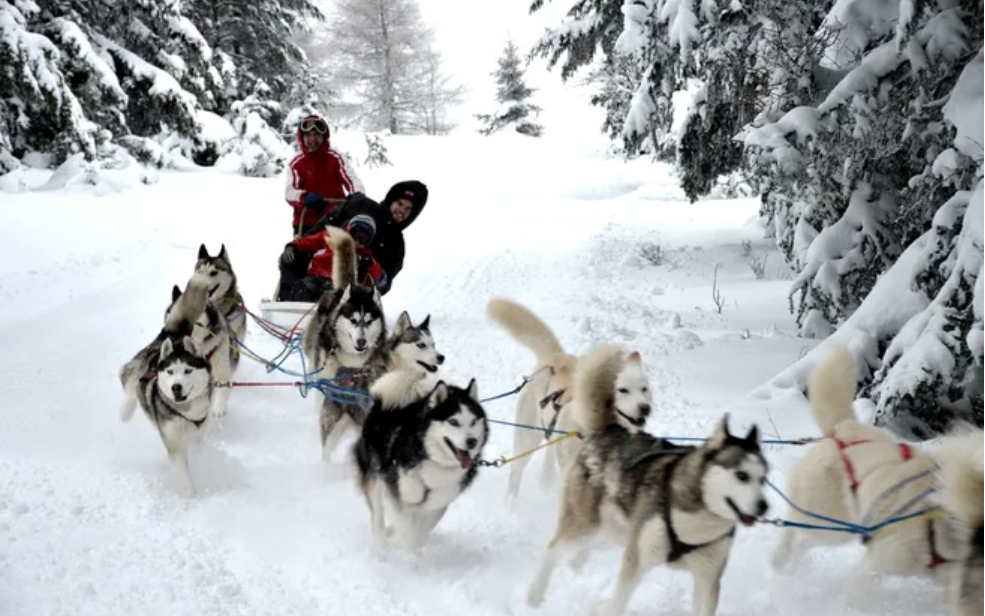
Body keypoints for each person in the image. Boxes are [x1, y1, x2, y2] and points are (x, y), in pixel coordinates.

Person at [314, 180, 428, 295]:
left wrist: (376, 272)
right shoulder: (362, 205)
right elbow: (322, 228)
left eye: (408, 209)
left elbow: (385, 284)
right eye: (399, 203)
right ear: (391, 200)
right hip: (320, 269)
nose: (401, 211)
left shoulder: (397, 245)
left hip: (355, 293)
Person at [283, 114, 365, 237]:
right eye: (308, 135)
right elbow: (290, 192)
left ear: (323, 137)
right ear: (302, 138)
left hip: (335, 217)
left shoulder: (336, 158)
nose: (312, 139)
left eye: (316, 135)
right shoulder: (296, 163)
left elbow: (352, 180)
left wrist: (357, 196)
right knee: (302, 252)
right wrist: (303, 197)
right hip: (306, 220)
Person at [281, 215, 386, 302]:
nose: (357, 241)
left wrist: (371, 266)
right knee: (303, 288)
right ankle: (297, 313)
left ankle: (325, 316)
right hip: (315, 276)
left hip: (337, 284)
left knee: (331, 294)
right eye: (355, 234)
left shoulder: (365, 255)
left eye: (363, 239)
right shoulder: (329, 236)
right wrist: (291, 247)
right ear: (349, 230)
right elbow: (305, 243)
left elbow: (376, 274)